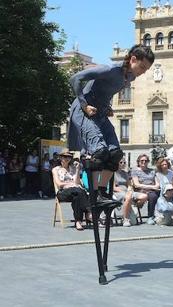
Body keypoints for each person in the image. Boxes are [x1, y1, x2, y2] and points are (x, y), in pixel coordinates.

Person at [67, 45, 153, 201]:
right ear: (133, 59)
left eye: (146, 69)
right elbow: (75, 78)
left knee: (115, 154)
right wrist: (84, 105)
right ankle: (92, 193)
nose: (143, 72)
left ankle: (101, 192)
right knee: (100, 152)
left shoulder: (130, 77)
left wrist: (108, 107)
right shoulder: (109, 70)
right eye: (142, 67)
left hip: (100, 114)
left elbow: (107, 91)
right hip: (83, 111)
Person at [52, 149, 90, 230]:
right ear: (60, 158)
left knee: (77, 196)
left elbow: (77, 182)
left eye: (69, 157)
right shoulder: (56, 169)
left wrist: (77, 170)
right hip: (63, 192)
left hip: (75, 191)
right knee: (80, 191)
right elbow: (59, 184)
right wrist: (69, 184)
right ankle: (88, 211)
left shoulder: (72, 168)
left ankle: (78, 222)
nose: (67, 158)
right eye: (65, 156)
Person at [114, 158, 148, 227]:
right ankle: (125, 218)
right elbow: (113, 188)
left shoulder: (125, 173)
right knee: (128, 197)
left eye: (124, 162)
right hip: (118, 193)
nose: (123, 164)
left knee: (144, 196)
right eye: (121, 162)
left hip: (127, 192)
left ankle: (132, 205)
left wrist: (129, 189)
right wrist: (125, 192)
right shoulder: (113, 173)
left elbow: (129, 185)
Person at [131, 154, 161, 225]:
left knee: (165, 194)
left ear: (148, 162)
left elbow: (157, 184)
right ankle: (150, 216)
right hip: (141, 191)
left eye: (146, 160)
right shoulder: (134, 171)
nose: (144, 162)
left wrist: (154, 187)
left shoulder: (152, 171)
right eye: (142, 160)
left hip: (152, 190)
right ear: (138, 162)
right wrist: (151, 187)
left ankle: (164, 215)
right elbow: (136, 184)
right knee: (153, 196)